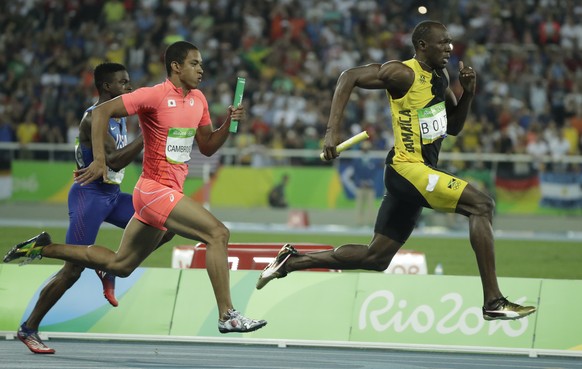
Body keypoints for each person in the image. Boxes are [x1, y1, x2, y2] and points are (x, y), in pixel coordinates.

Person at [256, 21, 536, 321]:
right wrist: (331, 133)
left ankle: (292, 261)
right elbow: (348, 76)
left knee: (376, 257)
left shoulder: (440, 76)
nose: (450, 48)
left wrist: (468, 93)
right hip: (407, 169)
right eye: (442, 43)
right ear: (422, 46)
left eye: (451, 42)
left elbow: (453, 127)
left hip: (418, 173)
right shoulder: (403, 73)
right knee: (482, 205)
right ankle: (493, 300)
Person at [4, 41, 267, 340]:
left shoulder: (199, 100)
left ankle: (41, 248)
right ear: (176, 67)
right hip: (154, 190)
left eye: (202, 64)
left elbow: (206, 147)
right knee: (217, 233)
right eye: (194, 63)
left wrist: (226, 125)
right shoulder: (154, 95)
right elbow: (101, 112)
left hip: (162, 193)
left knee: (121, 265)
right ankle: (228, 315)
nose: (201, 69)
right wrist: (101, 161)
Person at [14, 62, 174, 354]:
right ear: (106, 88)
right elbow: (113, 160)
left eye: (129, 81)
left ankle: (106, 264)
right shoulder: (93, 118)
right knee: (72, 272)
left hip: (112, 196)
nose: (129, 87)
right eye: (123, 83)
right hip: (89, 196)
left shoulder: (119, 115)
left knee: (164, 226)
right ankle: (28, 327)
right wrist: (149, 136)